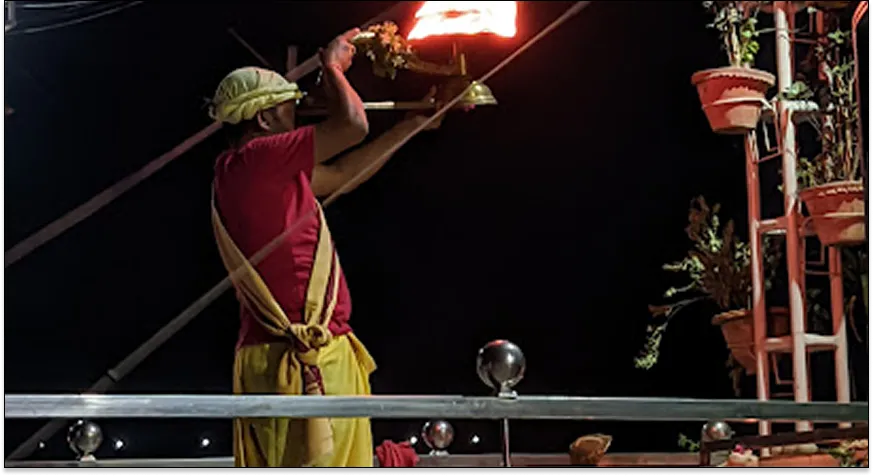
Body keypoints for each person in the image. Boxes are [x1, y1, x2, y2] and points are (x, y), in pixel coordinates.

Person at [208, 28, 442, 467]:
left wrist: (414, 124)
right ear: (264, 120)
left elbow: (342, 176)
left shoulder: (247, 173)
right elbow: (353, 126)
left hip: (292, 357)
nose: (297, 116)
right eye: (288, 109)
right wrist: (332, 67)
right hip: (298, 362)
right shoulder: (257, 159)